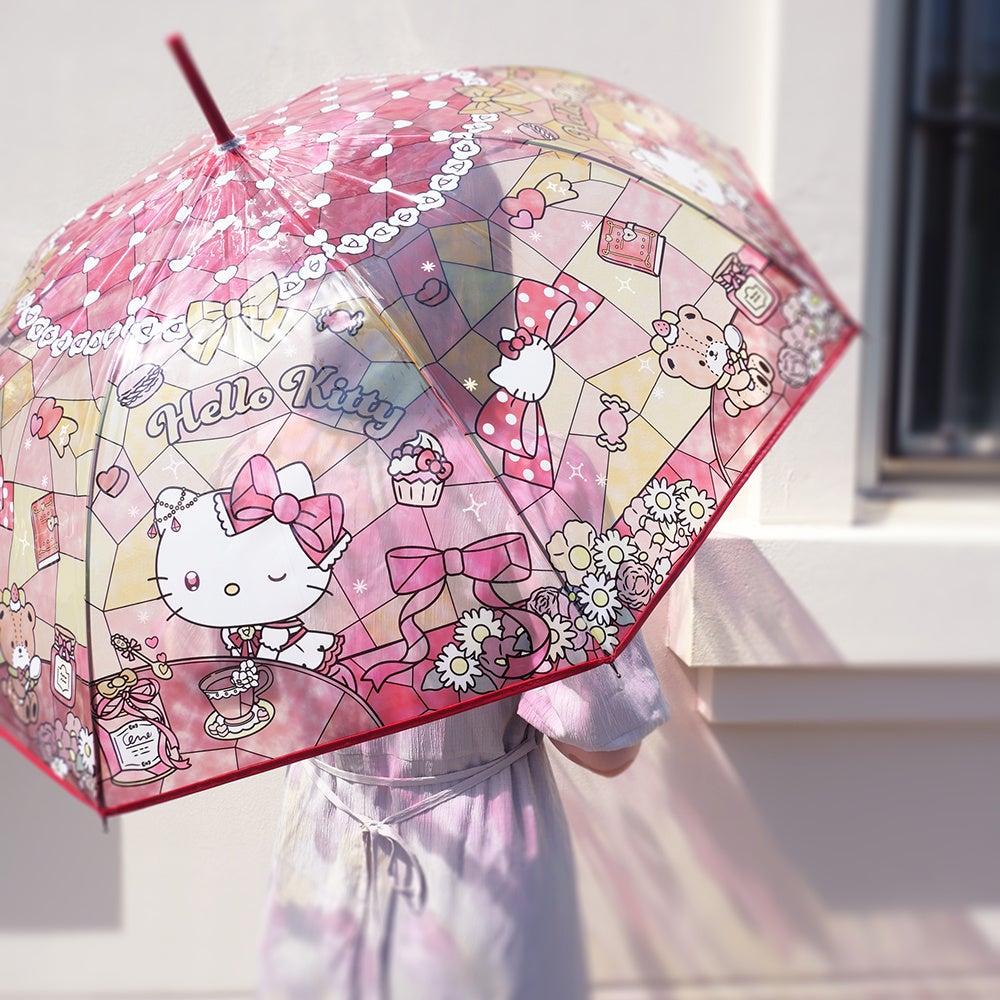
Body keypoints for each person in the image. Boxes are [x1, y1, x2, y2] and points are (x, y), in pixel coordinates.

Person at [258, 638, 669, 1000]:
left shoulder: (269, 572)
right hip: (482, 864)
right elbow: (608, 747)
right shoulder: (527, 569)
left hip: (320, 854)